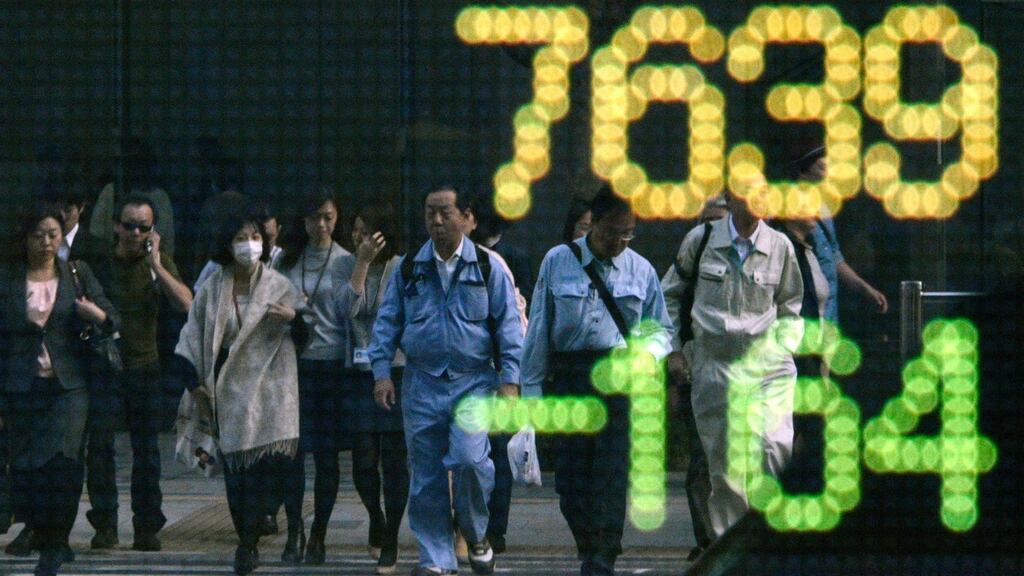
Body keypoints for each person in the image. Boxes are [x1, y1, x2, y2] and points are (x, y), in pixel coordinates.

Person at [369, 184, 524, 576]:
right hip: (422, 384)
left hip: (474, 382)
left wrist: (510, 381)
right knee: (426, 477)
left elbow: (510, 327)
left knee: (472, 461)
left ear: (465, 217)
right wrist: (382, 374)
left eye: (445, 212)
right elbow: (386, 325)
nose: (436, 221)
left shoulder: (489, 267)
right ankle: (436, 560)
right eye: (429, 213)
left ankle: (475, 533)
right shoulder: (408, 268)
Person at [520, 185, 673, 576]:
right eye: (612, 233)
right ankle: (592, 548)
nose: (620, 242)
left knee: (611, 474)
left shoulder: (641, 269)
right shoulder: (558, 261)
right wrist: (531, 397)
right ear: (594, 224)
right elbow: (538, 329)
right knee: (570, 483)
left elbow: (661, 331)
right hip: (570, 376)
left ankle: (601, 557)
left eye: (628, 233)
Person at [661, 178, 804, 538]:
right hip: (715, 364)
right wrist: (674, 350)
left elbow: (791, 304)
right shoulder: (702, 240)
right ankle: (732, 551)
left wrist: (786, 345)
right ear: (732, 197)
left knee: (773, 450)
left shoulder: (780, 246)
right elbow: (668, 297)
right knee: (725, 473)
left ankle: (770, 539)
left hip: (767, 365)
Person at [172, 206, 307, 575]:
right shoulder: (212, 289)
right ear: (226, 244)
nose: (249, 245)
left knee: (276, 468)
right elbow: (190, 338)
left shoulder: (279, 286)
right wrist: (195, 383)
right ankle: (246, 542)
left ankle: (295, 529)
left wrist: (293, 320)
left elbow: (305, 336)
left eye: (255, 237)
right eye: (240, 238)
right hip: (229, 389)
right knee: (238, 474)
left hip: (275, 391)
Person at [0, 202, 119, 575]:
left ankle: (55, 543)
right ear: (25, 238)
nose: (47, 242)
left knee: (65, 465)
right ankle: (41, 530)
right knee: (27, 468)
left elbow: (111, 317)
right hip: (22, 385)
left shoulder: (77, 272)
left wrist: (95, 315)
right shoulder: (8, 279)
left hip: (70, 386)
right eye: (38, 235)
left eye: (53, 234)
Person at [85, 194, 193, 552]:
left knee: (146, 452)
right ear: (116, 226)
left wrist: (157, 264)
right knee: (100, 450)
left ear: (152, 231)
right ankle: (105, 525)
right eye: (128, 225)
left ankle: (147, 526)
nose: (134, 233)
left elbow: (186, 303)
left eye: (142, 227)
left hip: (145, 367)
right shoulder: (100, 265)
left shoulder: (156, 264)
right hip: (105, 369)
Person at [277, 188, 352, 564]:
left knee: (326, 457)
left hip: (333, 366)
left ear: (337, 218)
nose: (321, 225)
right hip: (295, 365)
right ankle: (294, 530)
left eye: (328, 217)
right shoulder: (287, 260)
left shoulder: (347, 261)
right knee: (292, 454)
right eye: (313, 218)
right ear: (303, 221)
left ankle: (319, 533)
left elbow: (353, 313)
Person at [335, 204, 409, 574]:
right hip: (358, 373)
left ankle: (391, 536)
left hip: (396, 371)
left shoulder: (402, 267)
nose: (360, 239)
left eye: (367, 232)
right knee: (363, 461)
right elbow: (344, 310)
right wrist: (362, 263)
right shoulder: (345, 265)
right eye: (356, 231)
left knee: (396, 461)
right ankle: (375, 516)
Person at [465, 191, 529, 558]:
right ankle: (487, 529)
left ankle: (491, 527)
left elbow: (517, 317)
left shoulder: (506, 260)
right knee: (485, 452)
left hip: (497, 367)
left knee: (494, 451)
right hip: (485, 368)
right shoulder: (463, 257)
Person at [668, 194, 729, 562]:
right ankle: (708, 538)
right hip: (697, 362)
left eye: (720, 220)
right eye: (707, 220)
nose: (713, 227)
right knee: (703, 456)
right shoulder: (695, 247)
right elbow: (669, 299)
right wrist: (674, 360)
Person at [791, 147, 888, 321]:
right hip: (801, 310)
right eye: (822, 168)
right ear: (803, 171)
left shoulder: (824, 209)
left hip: (828, 312)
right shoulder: (788, 208)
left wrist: (865, 288)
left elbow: (834, 256)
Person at [88, 138, 176, 256]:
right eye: (133, 162)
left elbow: (167, 243)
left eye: (141, 162)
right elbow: (96, 233)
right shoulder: (111, 191)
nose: (137, 168)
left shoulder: (160, 198)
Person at [194, 205, 284, 293]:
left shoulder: (283, 261)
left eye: (268, 238)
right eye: (253, 238)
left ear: (278, 231)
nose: (262, 243)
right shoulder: (219, 263)